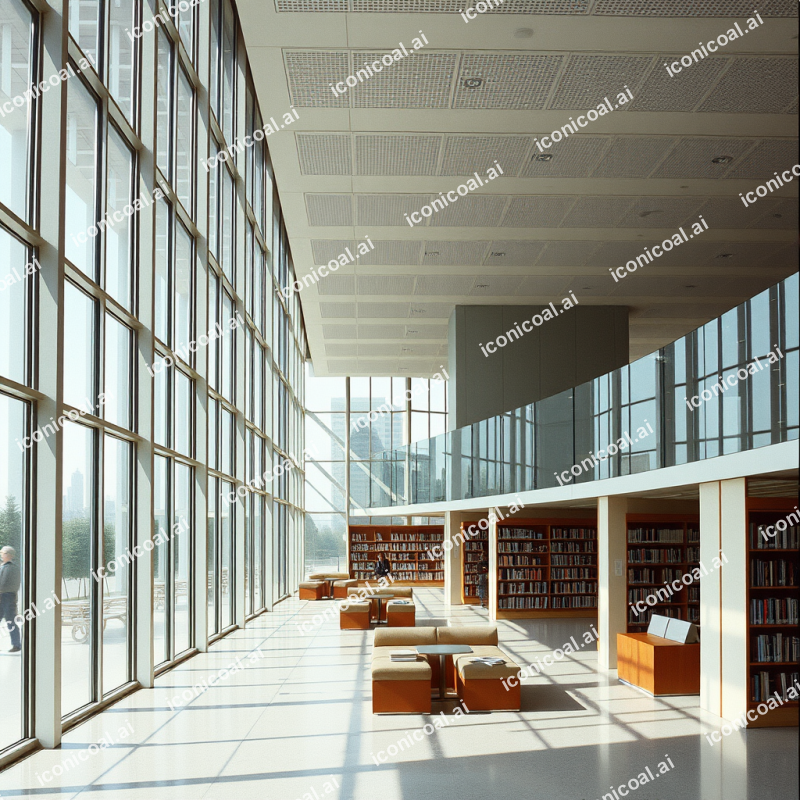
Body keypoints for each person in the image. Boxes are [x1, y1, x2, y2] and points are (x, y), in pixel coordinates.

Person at [0, 546, 21, 652]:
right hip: (7, 596)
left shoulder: (9, 568)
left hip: (6, 596)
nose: (1, 555)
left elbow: (3, 583)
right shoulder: (8, 567)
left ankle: (17, 644)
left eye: (3, 553)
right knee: (11, 621)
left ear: (8, 555)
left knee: (10, 621)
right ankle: (16, 644)